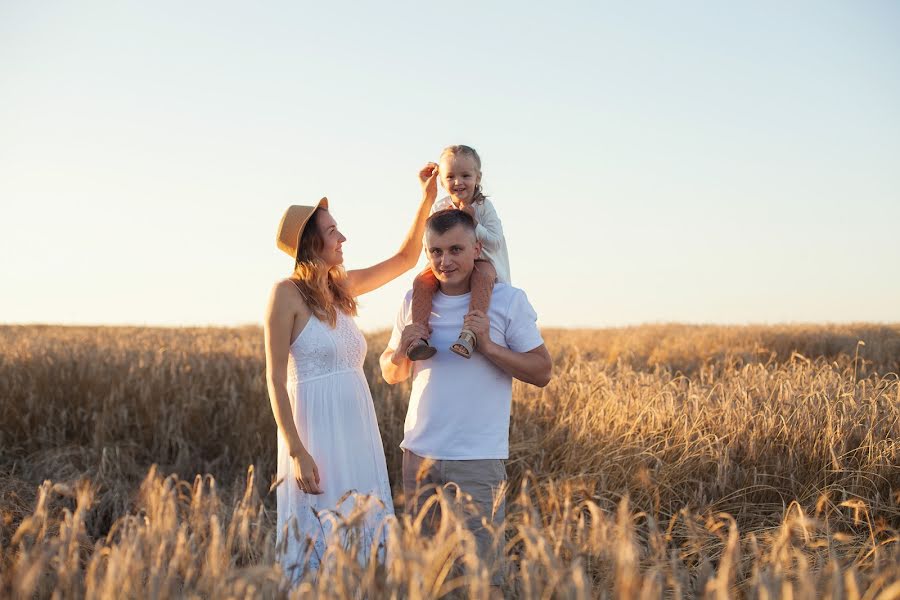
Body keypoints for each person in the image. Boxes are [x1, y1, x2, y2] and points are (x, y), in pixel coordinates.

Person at [265, 165, 437, 581]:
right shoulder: (285, 294)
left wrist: (426, 199)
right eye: (333, 231)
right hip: (315, 434)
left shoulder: (341, 289)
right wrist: (296, 450)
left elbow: (404, 259)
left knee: (363, 528)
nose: (343, 238)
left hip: (357, 430)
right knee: (319, 536)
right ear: (311, 242)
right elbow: (273, 378)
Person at [379, 209, 552, 586]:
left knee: (482, 576)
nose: (445, 260)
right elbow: (390, 374)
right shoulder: (413, 300)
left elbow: (542, 371)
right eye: (435, 251)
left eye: (455, 249)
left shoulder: (507, 301)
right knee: (425, 576)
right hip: (418, 458)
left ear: (477, 248)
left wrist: (488, 346)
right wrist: (400, 353)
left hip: (477, 459)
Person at [406, 144, 511, 361]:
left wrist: (474, 223)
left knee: (482, 276)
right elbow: (430, 236)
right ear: (442, 181)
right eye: (451, 176)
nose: (458, 182)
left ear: (477, 177)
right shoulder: (441, 207)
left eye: (465, 175)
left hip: (482, 260)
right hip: (450, 262)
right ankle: (419, 337)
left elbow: (496, 243)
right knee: (421, 282)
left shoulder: (484, 207)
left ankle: (469, 333)